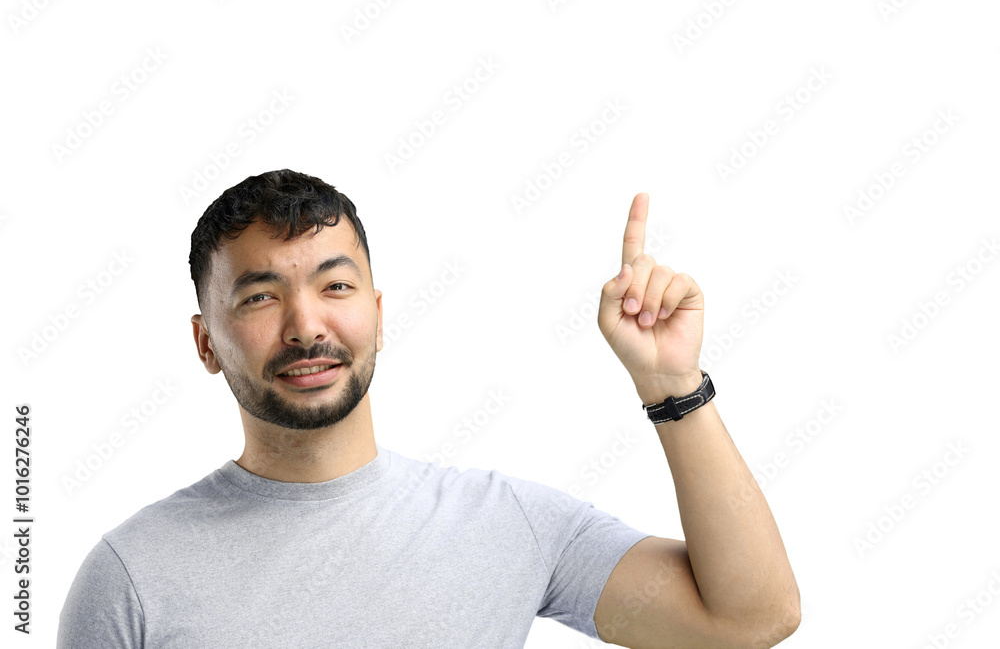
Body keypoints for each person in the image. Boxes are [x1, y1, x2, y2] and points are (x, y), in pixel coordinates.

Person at [57, 169, 800, 648]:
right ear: (205, 341)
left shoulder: (508, 525)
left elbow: (749, 616)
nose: (305, 324)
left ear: (379, 316)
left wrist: (673, 385)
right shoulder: (132, 576)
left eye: (335, 286)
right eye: (259, 296)